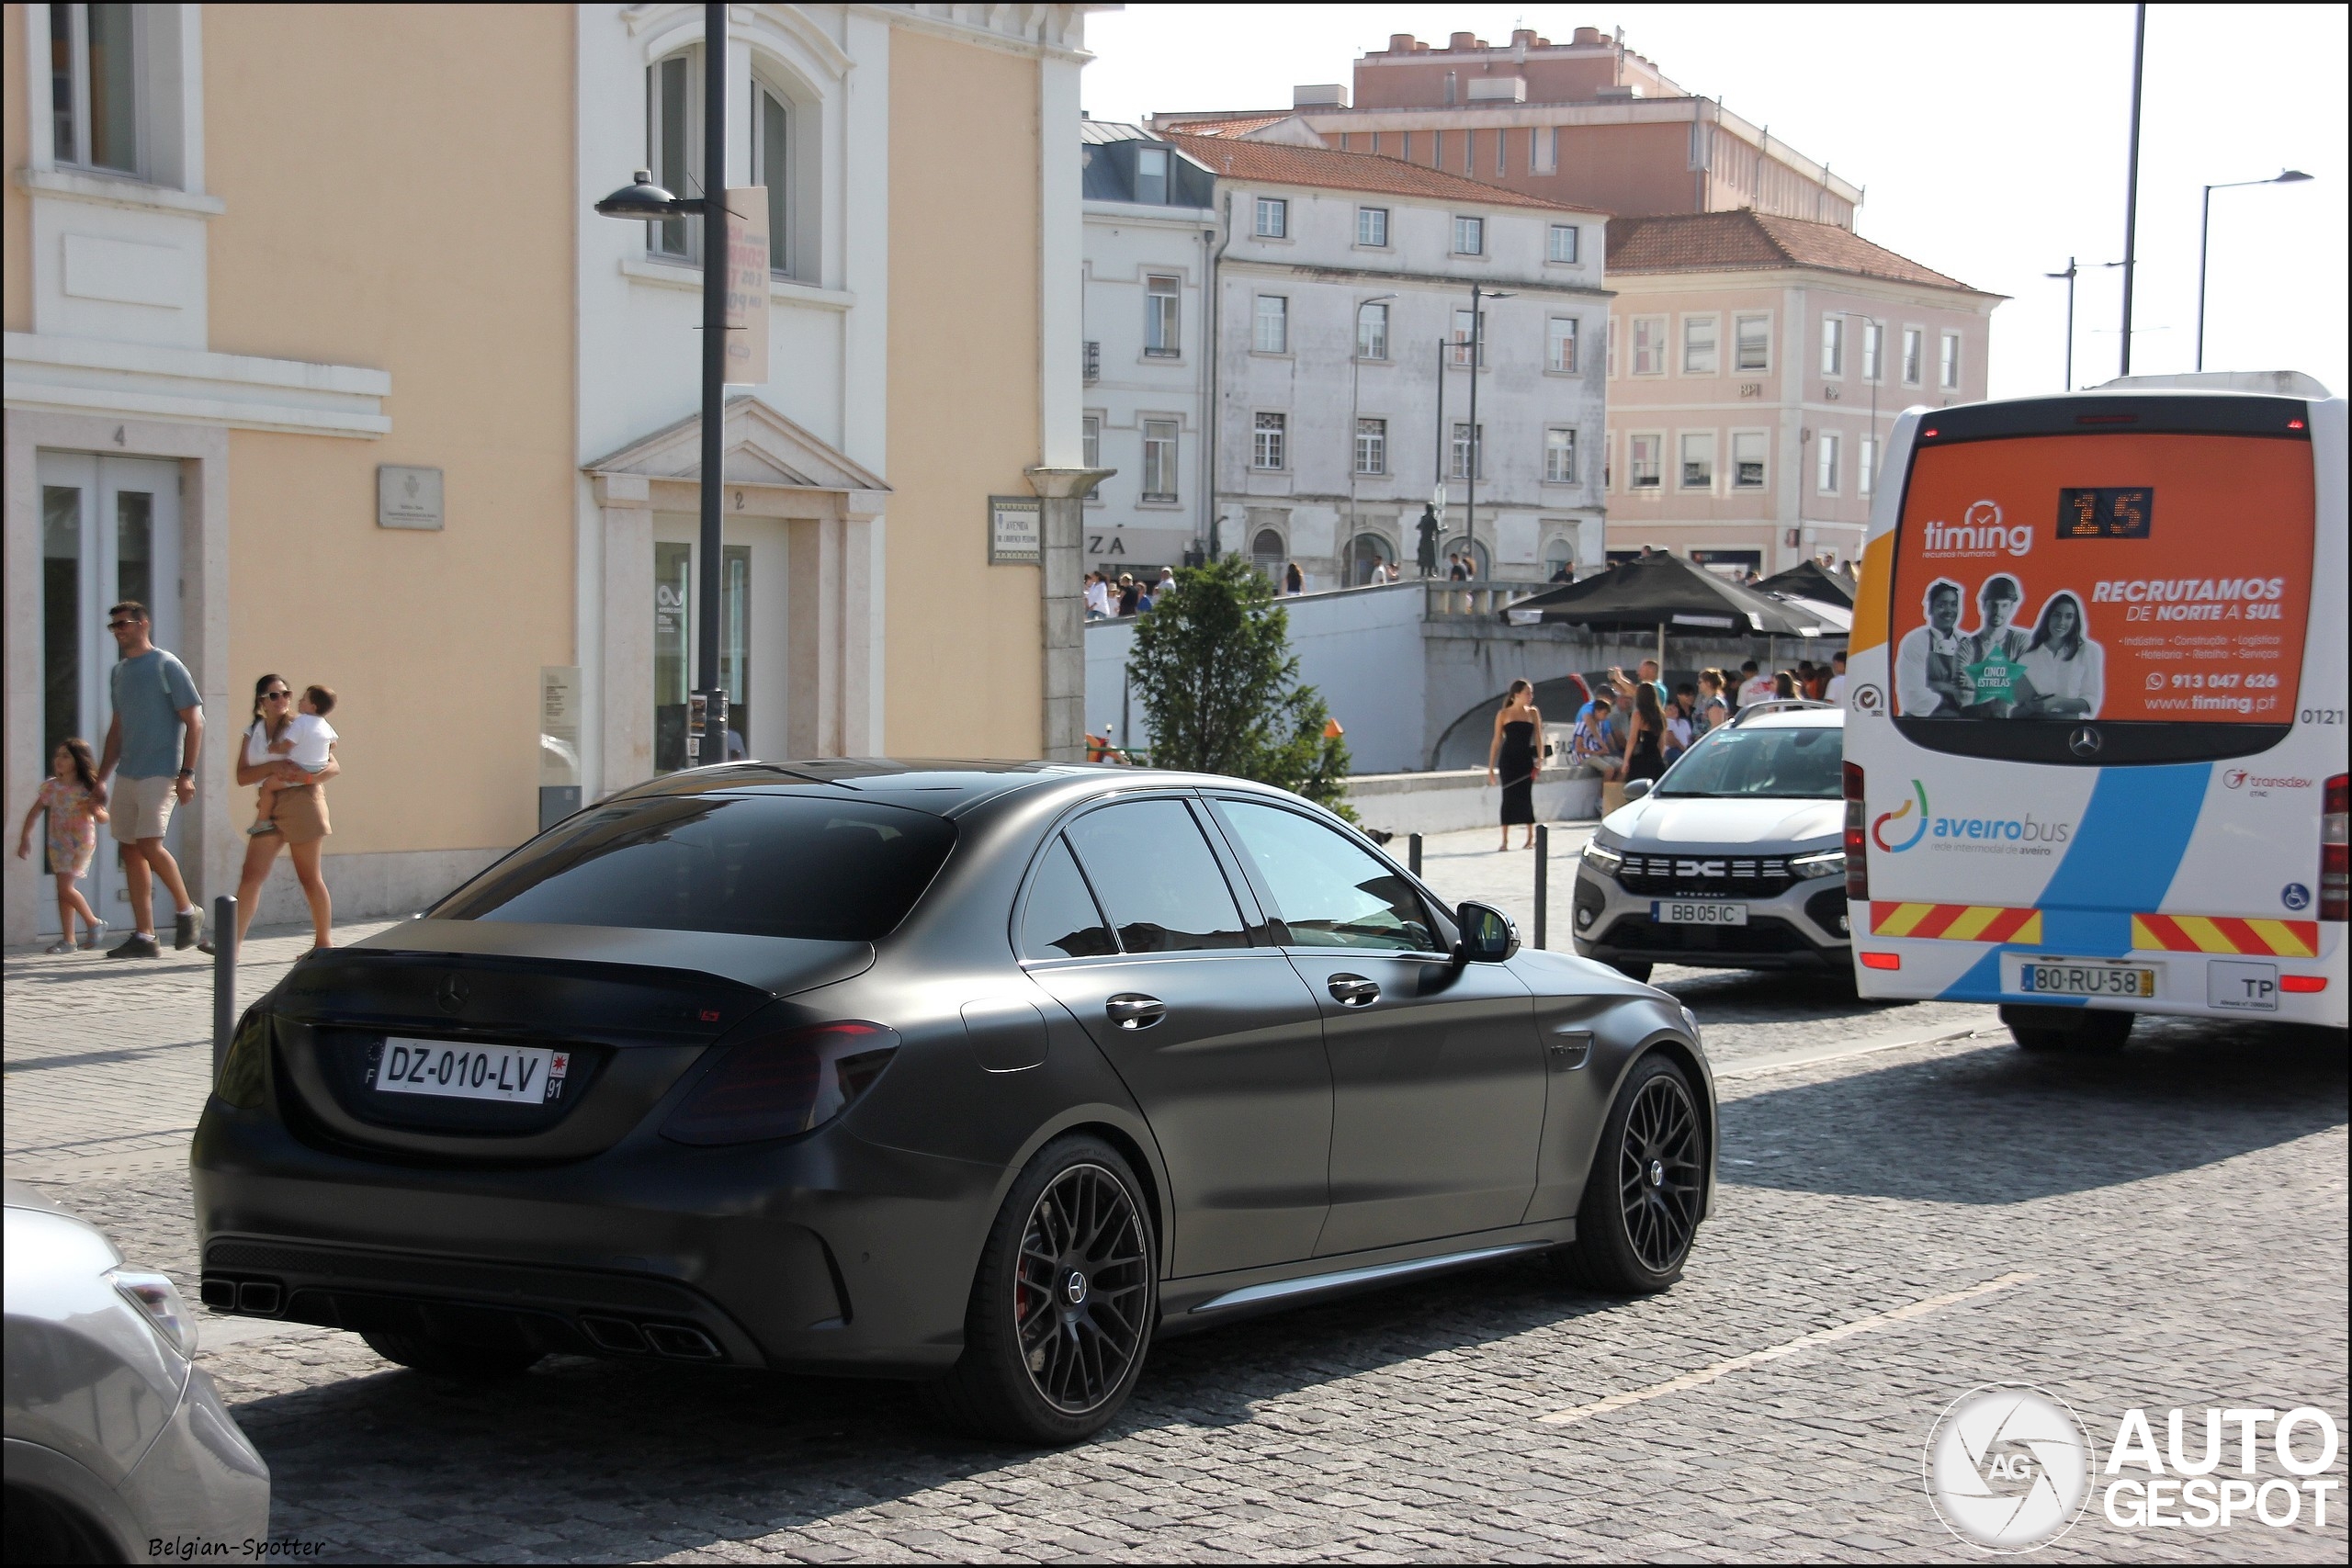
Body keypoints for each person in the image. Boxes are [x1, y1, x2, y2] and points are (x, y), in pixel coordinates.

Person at [92, 601, 204, 957]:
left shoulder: (165, 665)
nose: (118, 631)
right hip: (128, 771)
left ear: (144, 624)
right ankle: (145, 936)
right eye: (113, 627)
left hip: (162, 770)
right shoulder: (119, 672)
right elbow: (118, 727)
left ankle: (188, 911)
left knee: (150, 843)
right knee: (130, 849)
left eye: (123, 624)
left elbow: (195, 720)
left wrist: (187, 774)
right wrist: (100, 778)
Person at [230, 673, 342, 951]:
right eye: (274, 695)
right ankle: (232, 946)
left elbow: (333, 766)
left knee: (309, 876)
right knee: (251, 875)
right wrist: (272, 769)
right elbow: (242, 776)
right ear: (261, 701)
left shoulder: (304, 723)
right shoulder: (252, 731)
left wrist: (305, 778)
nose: (282, 700)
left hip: (302, 801)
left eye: (286, 694)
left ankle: (323, 943)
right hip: (269, 803)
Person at [17, 739, 109, 954]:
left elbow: (104, 818)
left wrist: (96, 811)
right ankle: (69, 940)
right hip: (58, 841)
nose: (59, 760)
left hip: (80, 841)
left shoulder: (88, 788)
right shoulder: (51, 786)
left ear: (78, 761)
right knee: (62, 890)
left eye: (65, 756)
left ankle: (93, 922)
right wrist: (25, 838)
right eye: (58, 755)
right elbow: (34, 812)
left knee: (65, 888)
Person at [249, 685, 338, 838]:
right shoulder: (324, 724)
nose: (299, 701)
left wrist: (274, 748)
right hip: (318, 767)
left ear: (313, 707)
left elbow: (287, 746)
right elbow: (333, 744)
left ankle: (262, 820)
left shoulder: (301, 722)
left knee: (268, 786)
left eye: (304, 699)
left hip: (299, 769)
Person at [2014, 591, 2104, 718]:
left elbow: (2091, 701)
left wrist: (2057, 702)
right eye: (2057, 615)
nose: (2062, 622)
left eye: (2068, 616)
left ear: (2075, 621)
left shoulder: (2088, 651)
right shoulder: (2027, 658)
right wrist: (2032, 706)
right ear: (2048, 618)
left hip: (2070, 727)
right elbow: (2017, 707)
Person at [1894, 579, 1973, 716]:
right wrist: (1955, 696)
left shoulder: (1969, 642)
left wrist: (1938, 686)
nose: (1949, 611)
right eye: (1942, 605)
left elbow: (1978, 690)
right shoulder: (1915, 642)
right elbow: (1913, 697)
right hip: (1921, 725)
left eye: (1954, 605)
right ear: (1929, 608)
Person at [1959, 573, 2031, 716]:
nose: (1998, 611)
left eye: (2004, 605)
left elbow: (2027, 688)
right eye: (1993, 605)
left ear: (2012, 607)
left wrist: (1978, 681)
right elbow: (1963, 696)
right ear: (1983, 604)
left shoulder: (2021, 640)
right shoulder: (1967, 646)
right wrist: (2009, 680)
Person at [1486, 679, 1544, 851]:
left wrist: (1539, 760)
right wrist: (1490, 768)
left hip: (1525, 759)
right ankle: (1504, 840)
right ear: (1516, 694)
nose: (1530, 696)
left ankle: (1530, 837)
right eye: (1527, 693)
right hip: (1508, 760)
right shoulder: (1503, 714)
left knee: (1526, 796)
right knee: (1508, 797)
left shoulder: (1533, 712)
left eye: (1531, 693)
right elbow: (1496, 741)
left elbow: (1539, 737)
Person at [1621, 682, 1668, 788]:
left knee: (1636, 791)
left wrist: (1626, 761)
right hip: (1655, 758)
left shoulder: (1638, 714)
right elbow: (1662, 742)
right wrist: (1659, 758)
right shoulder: (1661, 715)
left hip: (1640, 759)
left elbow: (1632, 739)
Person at [1570, 694, 1621, 779]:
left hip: (1598, 755)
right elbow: (1578, 748)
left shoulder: (1600, 724)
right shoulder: (1583, 725)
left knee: (1622, 766)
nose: (1606, 717)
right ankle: (1606, 791)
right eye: (1604, 714)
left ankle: (1615, 789)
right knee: (1609, 770)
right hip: (1585, 756)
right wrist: (1595, 752)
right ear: (1597, 711)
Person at [1665, 685, 1699, 761]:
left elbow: (1690, 737)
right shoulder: (1666, 722)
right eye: (1670, 709)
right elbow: (1670, 739)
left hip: (1686, 750)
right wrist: (1684, 750)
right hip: (1673, 751)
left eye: (1674, 707)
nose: (1674, 710)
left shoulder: (1684, 722)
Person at [1694, 670, 1731, 736]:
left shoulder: (1715, 702)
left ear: (1708, 683)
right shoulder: (1704, 701)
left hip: (1707, 744)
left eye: (1700, 682)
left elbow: (1716, 728)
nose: (1697, 684)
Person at [1415, 503, 1441, 578]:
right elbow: (1437, 531)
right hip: (1430, 540)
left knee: (1423, 556)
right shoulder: (1433, 519)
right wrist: (1444, 528)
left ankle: (1422, 573)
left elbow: (1418, 526)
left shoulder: (1423, 518)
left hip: (1423, 540)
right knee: (1430, 557)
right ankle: (1429, 572)